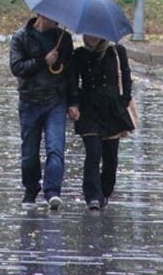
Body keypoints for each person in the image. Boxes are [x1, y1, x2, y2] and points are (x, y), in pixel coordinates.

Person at [9, 14, 76, 210]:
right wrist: (42, 62)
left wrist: (73, 101)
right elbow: (17, 67)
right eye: (50, 17)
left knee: (56, 147)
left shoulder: (63, 39)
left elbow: (70, 72)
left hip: (56, 101)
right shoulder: (21, 37)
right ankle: (31, 189)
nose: (55, 20)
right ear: (40, 15)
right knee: (29, 152)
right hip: (30, 101)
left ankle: (53, 191)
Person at [68, 35, 134, 210]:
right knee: (93, 152)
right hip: (89, 108)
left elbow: (126, 77)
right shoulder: (79, 55)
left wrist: (124, 100)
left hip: (112, 109)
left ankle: (105, 192)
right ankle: (92, 195)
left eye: (93, 34)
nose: (89, 38)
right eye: (87, 34)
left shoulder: (116, 52)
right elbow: (73, 82)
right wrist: (73, 103)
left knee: (110, 156)